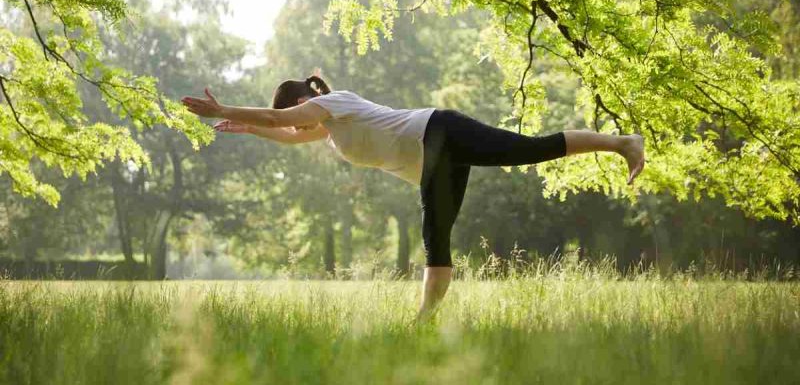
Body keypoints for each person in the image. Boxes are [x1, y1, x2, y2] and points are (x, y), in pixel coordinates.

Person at [181, 70, 645, 320]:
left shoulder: (335, 103)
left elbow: (283, 122)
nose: (299, 124)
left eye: (298, 115)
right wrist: (247, 129)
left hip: (439, 131)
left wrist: (225, 108)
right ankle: (424, 322)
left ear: (304, 104)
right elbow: (284, 132)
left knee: (525, 153)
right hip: (437, 157)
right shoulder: (328, 131)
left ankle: (622, 142)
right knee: (437, 232)